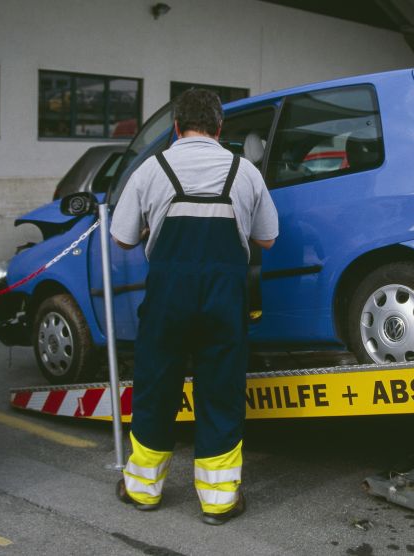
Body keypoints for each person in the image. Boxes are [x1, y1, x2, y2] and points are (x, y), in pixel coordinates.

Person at [109, 88, 278, 524]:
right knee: (220, 392)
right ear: (221, 128)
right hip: (224, 298)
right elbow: (267, 238)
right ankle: (219, 501)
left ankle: (144, 490)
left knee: (154, 388)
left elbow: (122, 237)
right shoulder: (244, 172)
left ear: (177, 128)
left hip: (167, 297)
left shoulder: (152, 168)